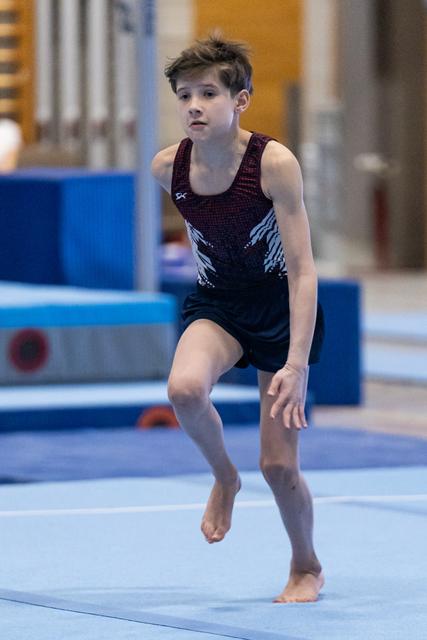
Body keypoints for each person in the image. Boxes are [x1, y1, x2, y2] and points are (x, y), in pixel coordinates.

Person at [152, 34, 325, 604]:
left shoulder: (273, 164)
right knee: (183, 389)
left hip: (279, 307)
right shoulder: (167, 167)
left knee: (278, 466)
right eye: (184, 95)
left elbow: (302, 270)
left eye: (208, 93)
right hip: (220, 303)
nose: (194, 106)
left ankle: (306, 565)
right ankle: (224, 476)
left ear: (241, 99)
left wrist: (296, 363)